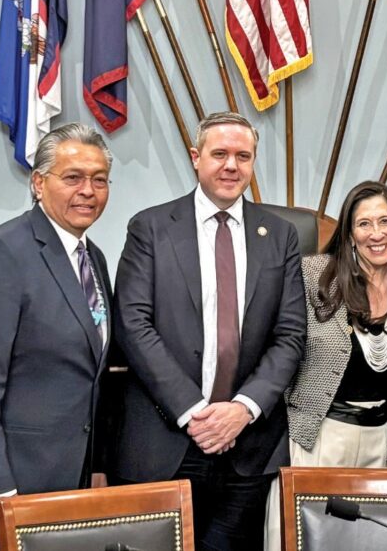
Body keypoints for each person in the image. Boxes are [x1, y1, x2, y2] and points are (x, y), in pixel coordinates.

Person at [112, 111, 306, 550]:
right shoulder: (151, 227)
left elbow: (290, 334)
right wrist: (193, 411)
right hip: (166, 442)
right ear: (196, 158)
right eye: (220, 154)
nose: (231, 166)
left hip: (249, 447)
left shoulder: (280, 235)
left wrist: (243, 408)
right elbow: (133, 325)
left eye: (243, 156)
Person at [0, 124, 114, 548]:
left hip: (71, 479)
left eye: (99, 179)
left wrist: (96, 465)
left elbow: (92, 373)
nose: (88, 190)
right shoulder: (4, 253)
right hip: (14, 483)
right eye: (73, 177)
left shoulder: (93, 258)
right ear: (38, 183)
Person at [264, 180, 387, 549]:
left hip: (382, 445)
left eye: (385, 222)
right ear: (349, 234)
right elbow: (277, 346)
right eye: (363, 224)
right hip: (316, 439)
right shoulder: (312, 276)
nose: (376, 234)